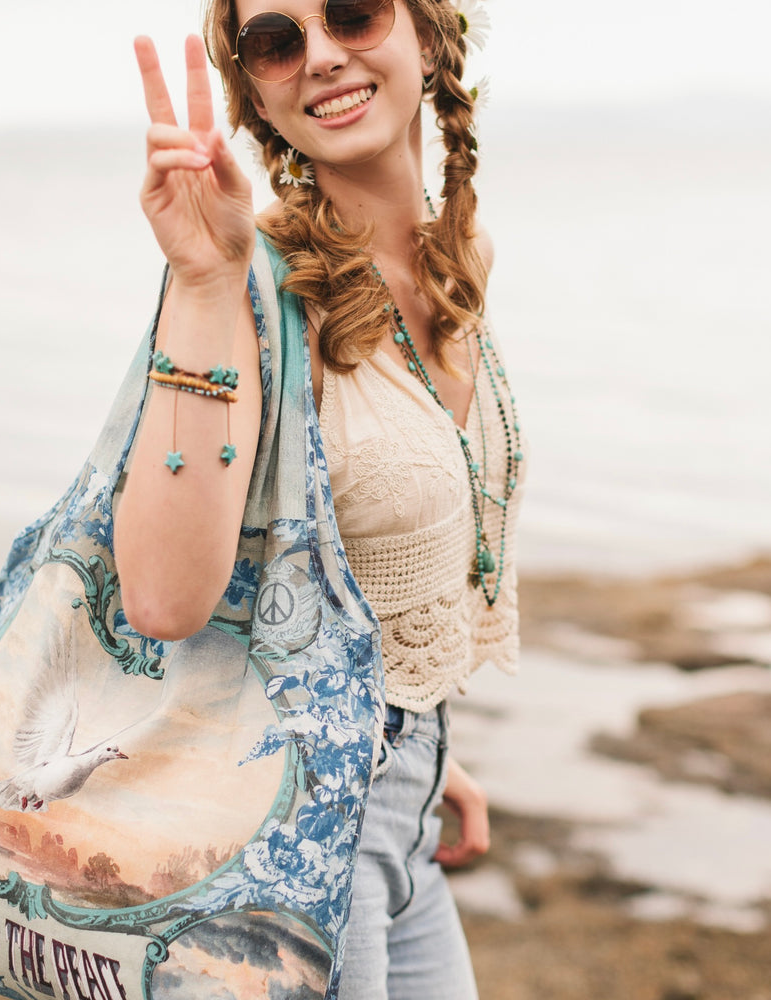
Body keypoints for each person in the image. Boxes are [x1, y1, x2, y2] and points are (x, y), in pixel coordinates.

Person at [114, 1, 524, 996]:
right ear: (256, 90)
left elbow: (361, 567)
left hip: (395, 816)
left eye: (351, 12)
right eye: (276, 40)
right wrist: (204, 283)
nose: (324, 55)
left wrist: (420, 753)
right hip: (288, 850)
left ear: (425, 35)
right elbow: (164, 600)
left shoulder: (450, 264)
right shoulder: (246, 282)